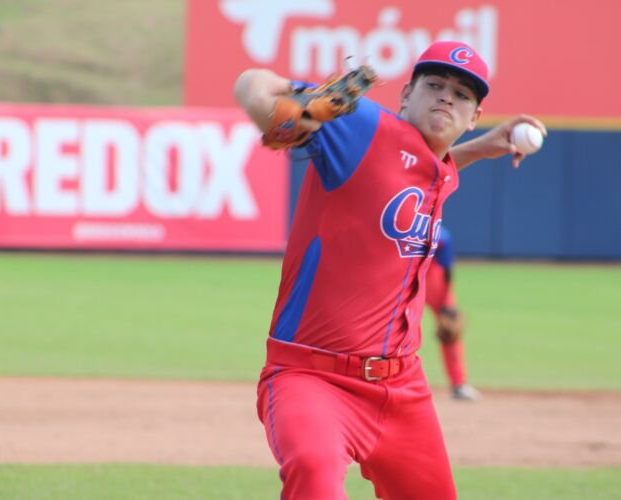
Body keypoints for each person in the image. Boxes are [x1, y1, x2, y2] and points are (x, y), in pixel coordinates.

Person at [234, 40, 546, 499]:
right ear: (404, 97)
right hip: (313, 379)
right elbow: (250, 85)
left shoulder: (437, 169)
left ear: (474, 118)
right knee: (314, 473)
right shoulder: (361, 127)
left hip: (402, 389)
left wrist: (480, 148)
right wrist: (274, 110)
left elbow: (414, 170)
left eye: (461, 95)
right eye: (434, 85)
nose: (446, 97)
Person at [425, 226, 480, 401]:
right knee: (450, 333)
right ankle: (458, 384)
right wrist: (447, 291)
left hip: (404, 277)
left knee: (395, 330)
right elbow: (445, 239)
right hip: (435, 279)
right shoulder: (435, 228)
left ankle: (386, 381)